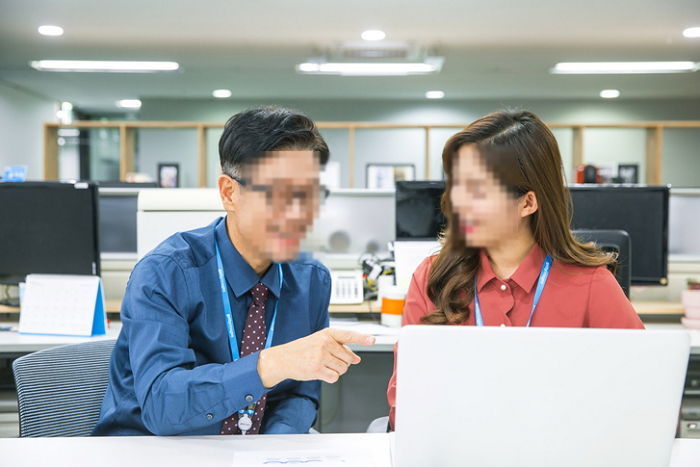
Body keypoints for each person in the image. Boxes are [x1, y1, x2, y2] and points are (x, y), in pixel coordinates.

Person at [94, 106, 375, 436]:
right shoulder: (166, 273)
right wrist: (268, 365)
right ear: (230, 192)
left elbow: (300, 395)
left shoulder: (310, 280)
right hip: (153, 449)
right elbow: (161, 406)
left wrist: (269, 450)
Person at [386, 110, 644, 429]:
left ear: (527, 203)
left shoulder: (591, 284)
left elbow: (640, 393)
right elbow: (406, 398)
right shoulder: (433, 277)